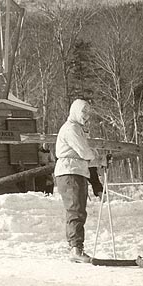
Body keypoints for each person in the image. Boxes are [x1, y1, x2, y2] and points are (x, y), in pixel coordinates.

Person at [54, 99, 99, 263]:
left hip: (77, 171)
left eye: (88, 113)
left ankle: (76, 247)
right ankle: (75, 248)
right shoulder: (71, 128)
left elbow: (85, 154)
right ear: (75, 111)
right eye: (83, 112)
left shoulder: (78, 129)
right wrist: (95, 155)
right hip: (69, 172)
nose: (86, 116)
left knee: (79, 209)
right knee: (75, 209)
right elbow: (84, 152)